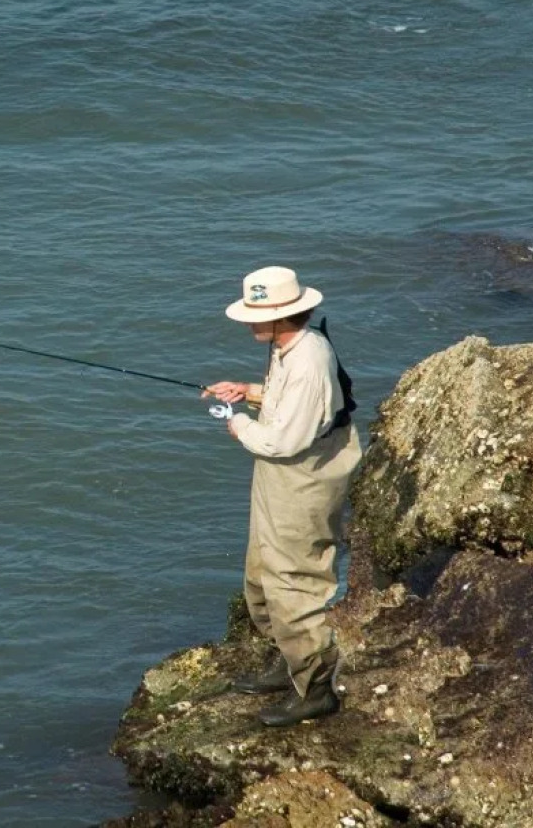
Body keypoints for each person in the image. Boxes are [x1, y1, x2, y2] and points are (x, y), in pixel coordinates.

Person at [202, 266, 361, 726]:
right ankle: (287, 659)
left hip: (302, 477)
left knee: (293, 577)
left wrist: (236, 423)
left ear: (283, 316)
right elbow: (292, 405)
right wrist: (249, 393)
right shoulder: (289, 346)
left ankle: (315, 688)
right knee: (260, 573)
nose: (249, 322)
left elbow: (283, 441)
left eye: (257, 314)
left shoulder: (308, 360)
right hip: (281, 475)